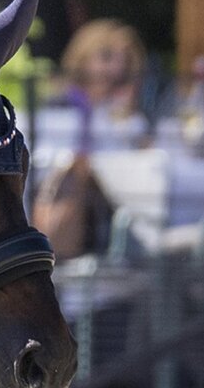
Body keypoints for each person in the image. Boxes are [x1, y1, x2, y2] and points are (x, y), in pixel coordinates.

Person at [30, 19, 150, 259]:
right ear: (83, 58)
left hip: (110, 201)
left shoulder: (125, 116)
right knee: (74, 176)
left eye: (123, 61)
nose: (115, 69)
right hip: (57, 192)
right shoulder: (58, 102)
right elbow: (41, 158)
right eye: (106, 57)